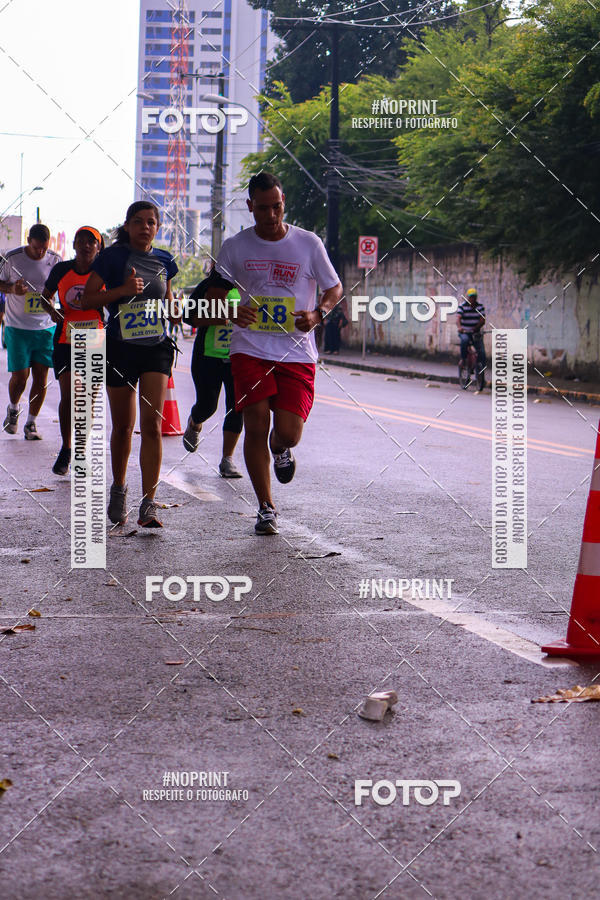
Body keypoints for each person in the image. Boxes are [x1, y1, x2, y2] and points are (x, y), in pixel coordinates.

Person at [205, 171, 342, 535]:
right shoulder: (235, 247)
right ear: (250, 207)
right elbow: (215, 292)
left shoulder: (308, 244)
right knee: (255, 423)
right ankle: (266, 507)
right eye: (263, 208)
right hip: (249, 348)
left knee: (289, 432)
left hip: (296, 352)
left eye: (277, 207)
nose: (271, 215)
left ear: (284, 204)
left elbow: (334, 288)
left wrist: (317, 314)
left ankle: (281, 449)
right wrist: (231, 310)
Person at [81, 201, 178, 528]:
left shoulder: (165, 260)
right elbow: (88, 298)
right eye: (138, 222)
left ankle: (149, 502)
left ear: (158, 228)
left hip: (156, 348)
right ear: (127, 225)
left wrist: (175, 309)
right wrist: (122, 290)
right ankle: (120, 487)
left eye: (151, 222)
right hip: (120, 348)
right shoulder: (111, 258)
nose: (145, 227)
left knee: (151, 426)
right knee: (123, 426)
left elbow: (168, 298)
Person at [41, 226, 105, 475]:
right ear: (74, 245)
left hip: (95, 338)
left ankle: (80, 450)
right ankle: (66, 449)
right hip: (66, 339)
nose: (86, 245)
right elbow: (45, 297)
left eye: (92, 242)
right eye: (81, 240)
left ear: (99, 248)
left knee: (87, 399)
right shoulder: (61, 270)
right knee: (69, 396)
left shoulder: (104, 273)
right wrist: (53, 312)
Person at [0, 224, 62, 439]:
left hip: (45, 327)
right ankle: (14, 408)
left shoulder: (55, 259)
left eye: (44, 248)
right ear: (28, 241)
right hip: (18, 327)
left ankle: (31, 424)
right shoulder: (11, 258)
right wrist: (11, 289)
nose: (41, 253)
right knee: (20, 376)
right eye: (37, 248)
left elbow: (61, 287)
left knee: (41, 377)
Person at [182, 278, 243, 478]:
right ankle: (194, 422)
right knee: (208, 406)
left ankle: (227, 459)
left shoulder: (251, 285)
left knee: (236, 407)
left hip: (239, 357)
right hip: (208, 356)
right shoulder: (208, 285)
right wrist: (217, 316)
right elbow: (188, 317)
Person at [458, 287, 486, 378]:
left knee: (481, 352)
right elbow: (458, 318)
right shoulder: (462, 306)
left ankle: (480, 371)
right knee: (465, 341)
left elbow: (482, 319)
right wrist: (460, 328)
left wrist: (476, 328)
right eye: (470, 297)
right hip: (465, 332)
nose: (472, 299)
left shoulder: (480, 307)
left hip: (475, 333)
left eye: (474, 297)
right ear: (467, 298)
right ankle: (463, 359)